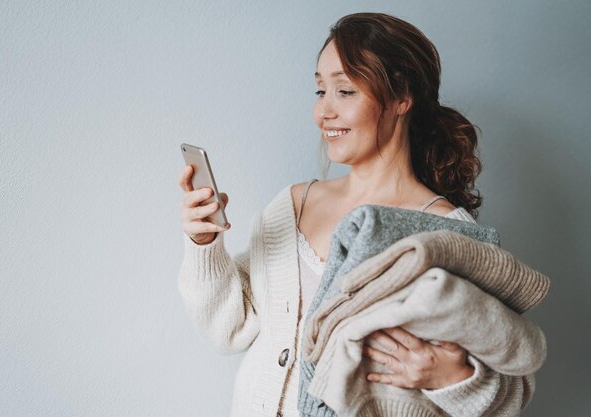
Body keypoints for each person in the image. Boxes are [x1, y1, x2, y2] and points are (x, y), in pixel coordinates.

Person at [178, 12, 531, 417]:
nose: (323, 111)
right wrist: (204, 244)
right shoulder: (291, 205)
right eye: (319, 90)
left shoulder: (448, 234)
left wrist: (448, 377)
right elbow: (228, 328)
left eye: (344, 91)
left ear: (402, 97)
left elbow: (506, 388)